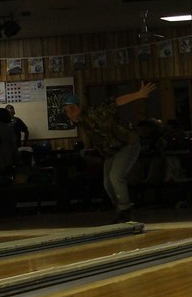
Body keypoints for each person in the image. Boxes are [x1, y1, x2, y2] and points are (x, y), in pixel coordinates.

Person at [61, 82, 156, 222]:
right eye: (67, 111)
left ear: (80, 107)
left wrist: (138, 94)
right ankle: (121, 209)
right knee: (107, 183)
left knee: (116, 177)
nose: (70, 114)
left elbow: (116, 102)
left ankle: (126, 210)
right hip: (111, 151)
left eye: (72, 109)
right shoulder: (81, 122)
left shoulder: (95, 112)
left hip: (127, 144)